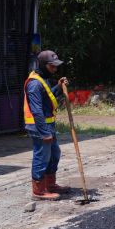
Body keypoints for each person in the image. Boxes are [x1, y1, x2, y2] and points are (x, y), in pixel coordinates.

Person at [25, 50, 70, 201]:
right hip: (39, 128)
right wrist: (45, 132)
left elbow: (49, 97)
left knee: (54, 155)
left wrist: (58, 86)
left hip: (49, 126)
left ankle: (50, 185)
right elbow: (36, 110)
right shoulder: (34, 84)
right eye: (52, 67)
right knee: (42, 157)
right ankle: (38, 191)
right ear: (44, 65)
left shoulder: (43, 79)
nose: (55, 69)